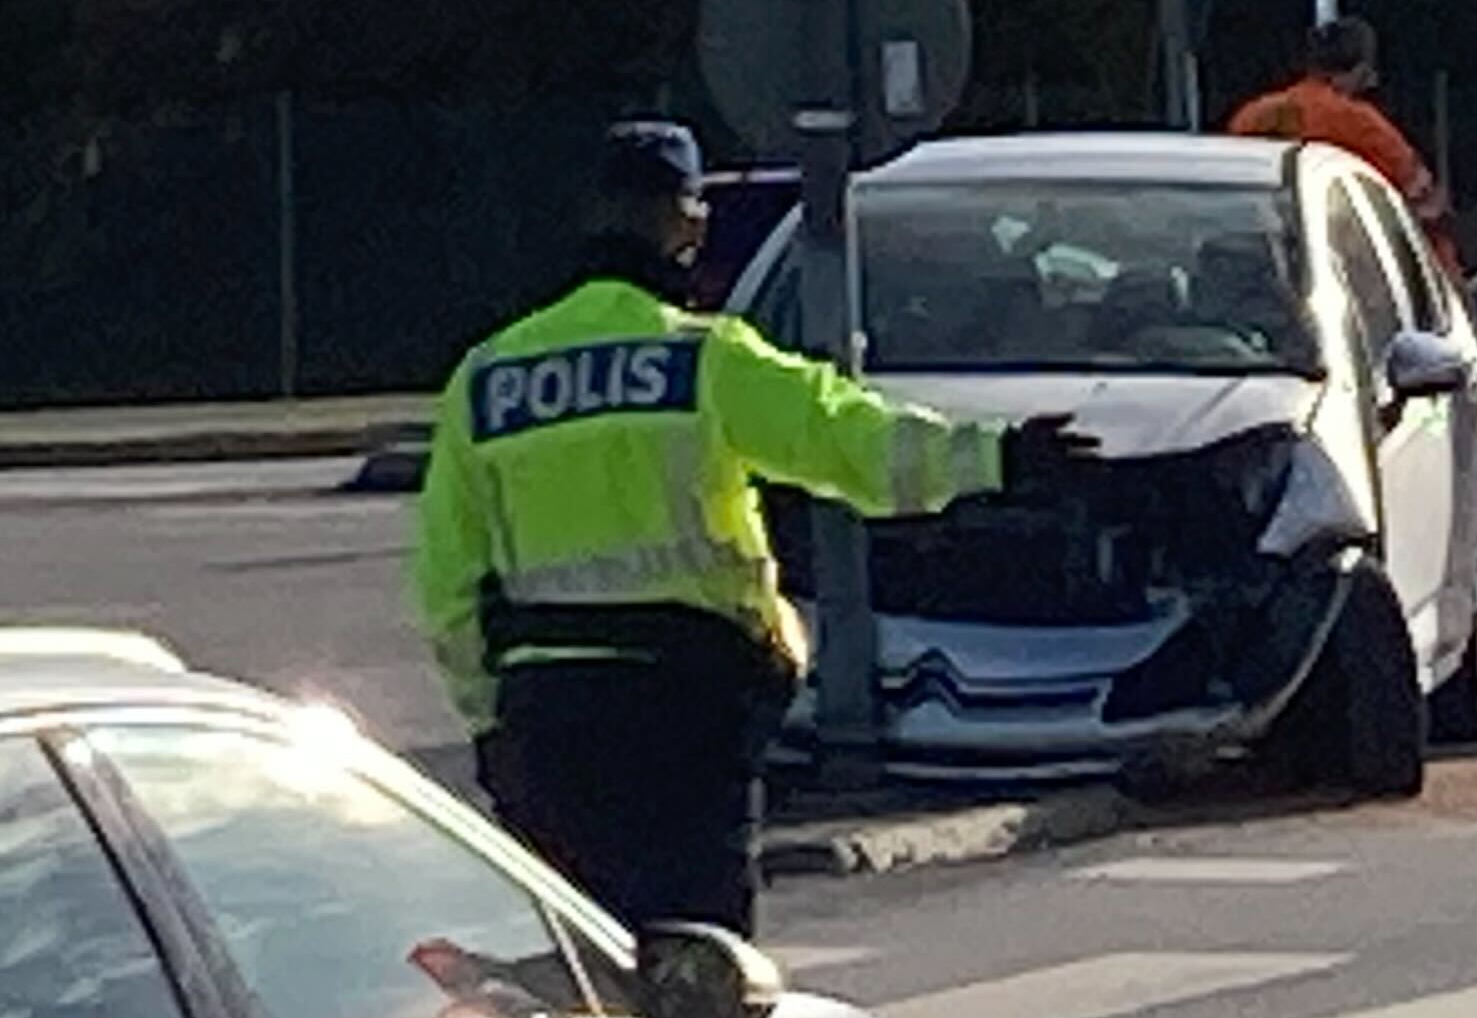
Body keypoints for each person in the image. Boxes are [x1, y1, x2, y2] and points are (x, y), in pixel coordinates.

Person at [411, 120, 1093, 933]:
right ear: (688, 224)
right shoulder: (705, 360)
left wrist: (490, 725)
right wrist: (1000, 459)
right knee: (701, 963)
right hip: (686, 711)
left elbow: (446, 582)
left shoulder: (488, 377)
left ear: (593, 215)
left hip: (548, 719)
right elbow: (856, 444)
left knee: (571, 956)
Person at [1228, 18, 1459, 268]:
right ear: (1362, 69)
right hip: (1354, 264)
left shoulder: (1254, 116)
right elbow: (1426, 207)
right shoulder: (1362, 124)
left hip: (1269, 261)